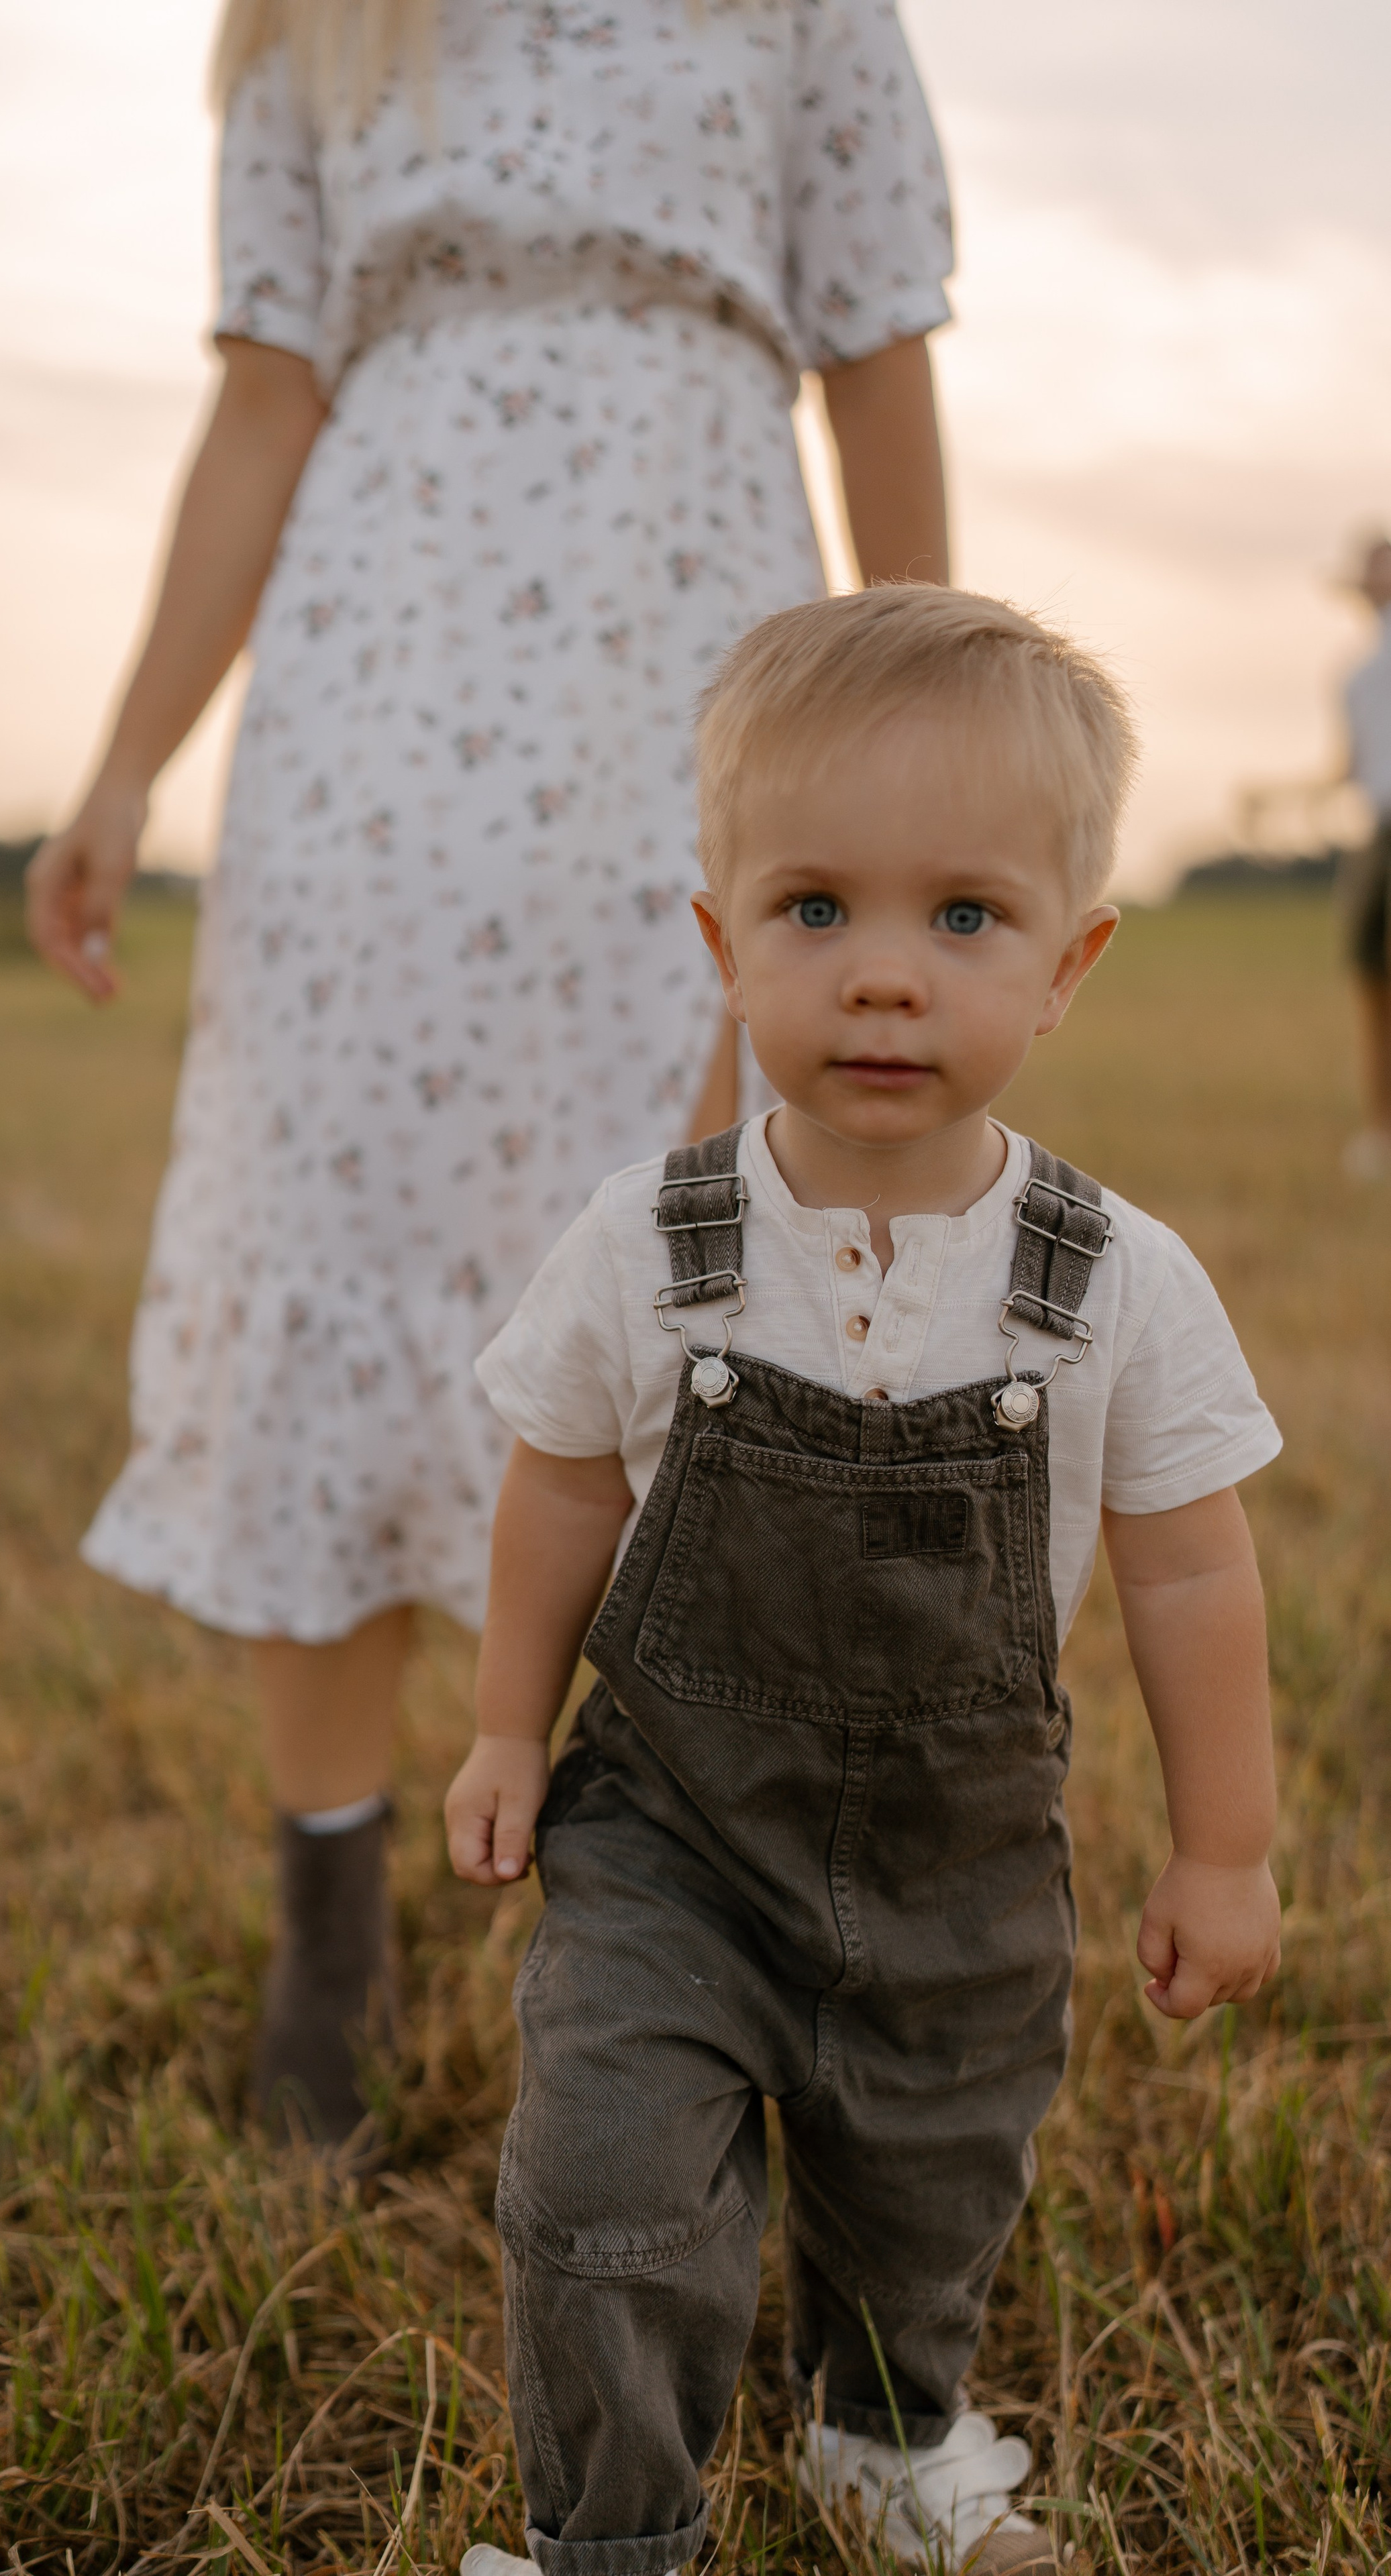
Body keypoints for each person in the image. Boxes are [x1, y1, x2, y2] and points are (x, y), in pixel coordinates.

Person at [25, 0, 956, 2145]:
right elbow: (264, 400)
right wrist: (122, 757)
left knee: (710, 1269)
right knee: (333, 1220)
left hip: (703, 641)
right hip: (378, 673)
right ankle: (327, 1929)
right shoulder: (308, 17)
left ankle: (678, 1925)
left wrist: (923, 747)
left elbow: (878, 355)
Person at [446, 588, 1283, 2574]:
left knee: (928, 2181)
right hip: (670, 1831)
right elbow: (561, 1484)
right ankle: (608, 2535)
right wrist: (499, 1720)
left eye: (961, 918)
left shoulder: (1110, 1277)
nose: (883, 977)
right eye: (814, 908)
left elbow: (1186, 1570)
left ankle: (889, 2441)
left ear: (1068, 959)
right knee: (606, 2184)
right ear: (719, 939)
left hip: (960, 1856)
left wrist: (1223, 1846)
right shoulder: (655, 1243)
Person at [1338, 530, 1391, 1179]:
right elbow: (1350, 769)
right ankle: (1380, 1132)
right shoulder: (1353, 676)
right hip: (1377, 834)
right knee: (1370, 981)